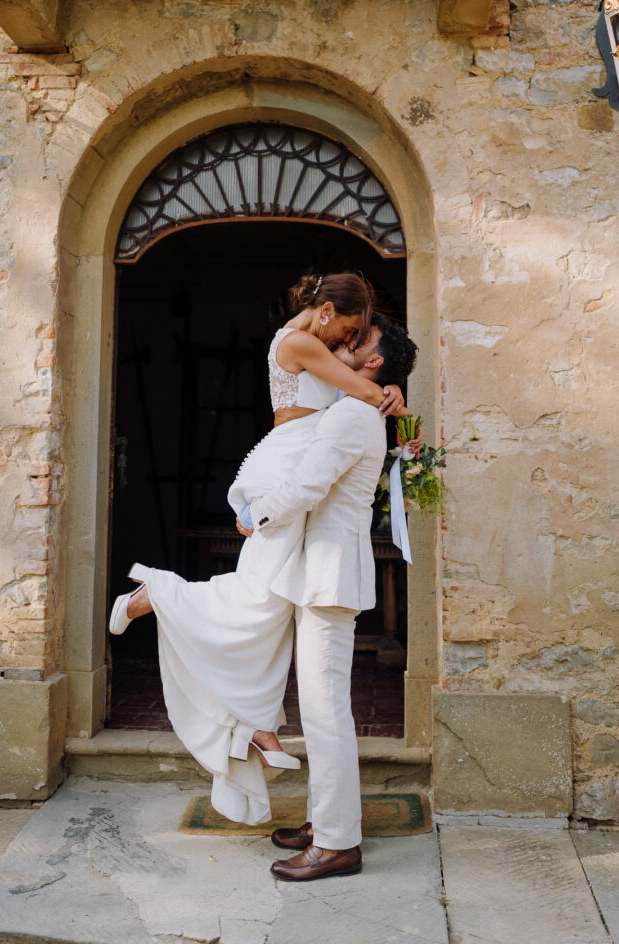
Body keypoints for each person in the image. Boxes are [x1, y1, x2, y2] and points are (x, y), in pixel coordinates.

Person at [108, 272, 411, 825]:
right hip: (289, 464)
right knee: (255, 595)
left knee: (268, 604)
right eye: (351, 325)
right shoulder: (300, 344)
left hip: (299, 466)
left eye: (361, 334)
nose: (352, 336)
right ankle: (161, 594)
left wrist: (389, 392)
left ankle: (256, 722)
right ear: (325, 312)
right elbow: (367, 391)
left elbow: (365, 389)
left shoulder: (327, 359)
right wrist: (396, 400)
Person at [236, 316, 418, 881]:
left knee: (324, 712)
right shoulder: (358, 409)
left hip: (329, 574)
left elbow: (309, 485)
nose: (340, 347)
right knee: (320, 709)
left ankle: (338, 843)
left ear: (374, 362)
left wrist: (254, 514)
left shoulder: (352, 416)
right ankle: (324, 821)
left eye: (352, 343)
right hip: (322, 571)